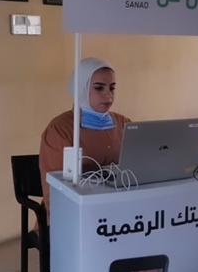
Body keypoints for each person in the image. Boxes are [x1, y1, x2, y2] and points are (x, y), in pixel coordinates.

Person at [39, 58, 130, 212]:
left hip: (121, 208)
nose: (108, 95)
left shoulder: (124, 124)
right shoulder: (60, 129)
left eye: (112, 88)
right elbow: (58, 190)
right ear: (81, 88)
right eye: (99, 88)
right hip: (74, 213)